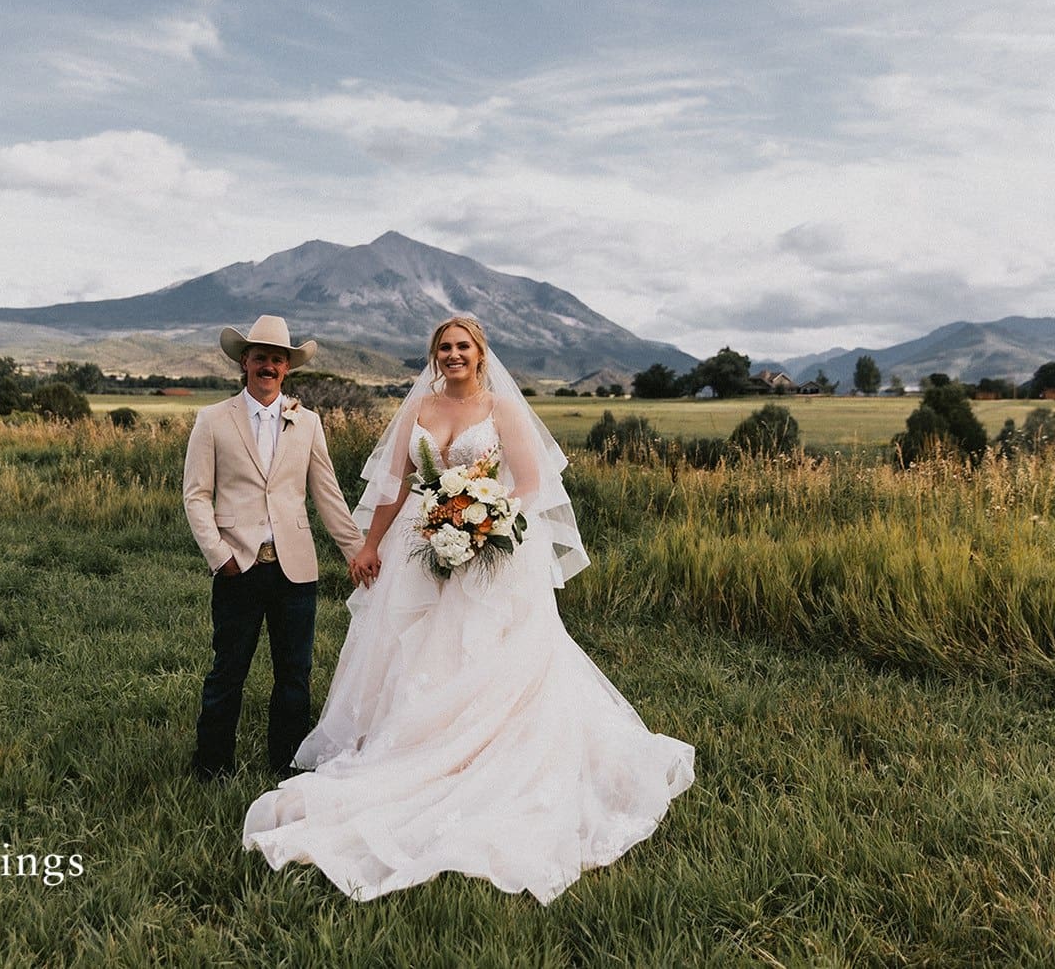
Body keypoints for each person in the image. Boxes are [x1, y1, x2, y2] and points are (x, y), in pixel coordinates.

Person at [242, 315, 695, 903]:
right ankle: (410, 740)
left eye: (462, 347)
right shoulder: (420, 409)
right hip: (418, 545)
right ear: (434, 356)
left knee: (480, 650)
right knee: (413, 645)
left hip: (489, 552)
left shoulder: (502, 408)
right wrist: (371, 543)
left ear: (480, 354)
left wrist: (482, 520)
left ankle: (482, 746)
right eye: (444, 347)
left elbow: (529, 484)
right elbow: (395, 485)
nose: (453, 355)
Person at [183, 315, 380, 782]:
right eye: (260, 357)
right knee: (228, 671)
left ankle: (287, 766)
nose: (268, 366)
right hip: (239, 566)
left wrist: (358, 550)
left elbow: (327, 494)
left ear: (287, 368)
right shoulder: (212, 420)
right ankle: (212, 768)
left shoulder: (307, 422)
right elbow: (195, 495)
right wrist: (220, 556)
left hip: (296, 569)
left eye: (277, 359)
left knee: (295, 675)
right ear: (244, 362)